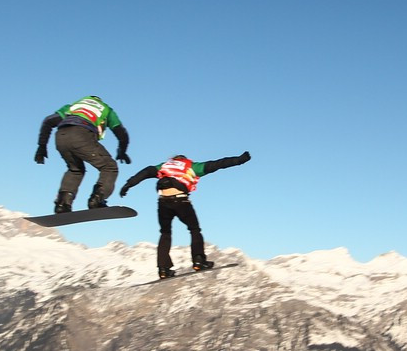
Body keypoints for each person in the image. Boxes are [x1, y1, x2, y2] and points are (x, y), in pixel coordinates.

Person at [119, 151, 251, 278]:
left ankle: (163, 269)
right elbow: (217, 164)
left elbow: (146, 171)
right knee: (194, 229)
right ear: (184, 159)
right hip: (181, 201)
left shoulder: (164, 166)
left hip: (163, 202)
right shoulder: (191, 166)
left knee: (165, 233)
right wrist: (239, 160)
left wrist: (128, 184)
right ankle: (198, 260)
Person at [36, 95, 131, 213]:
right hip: (82, 134)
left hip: (61, 136)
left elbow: (48, 121)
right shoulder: (106, 109)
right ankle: (97, 200)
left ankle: (62, 204)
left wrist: (41, 147)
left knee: (75, 169)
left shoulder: (72, 107)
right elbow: (122, 133)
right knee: (109, 167)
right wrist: (122, 151)